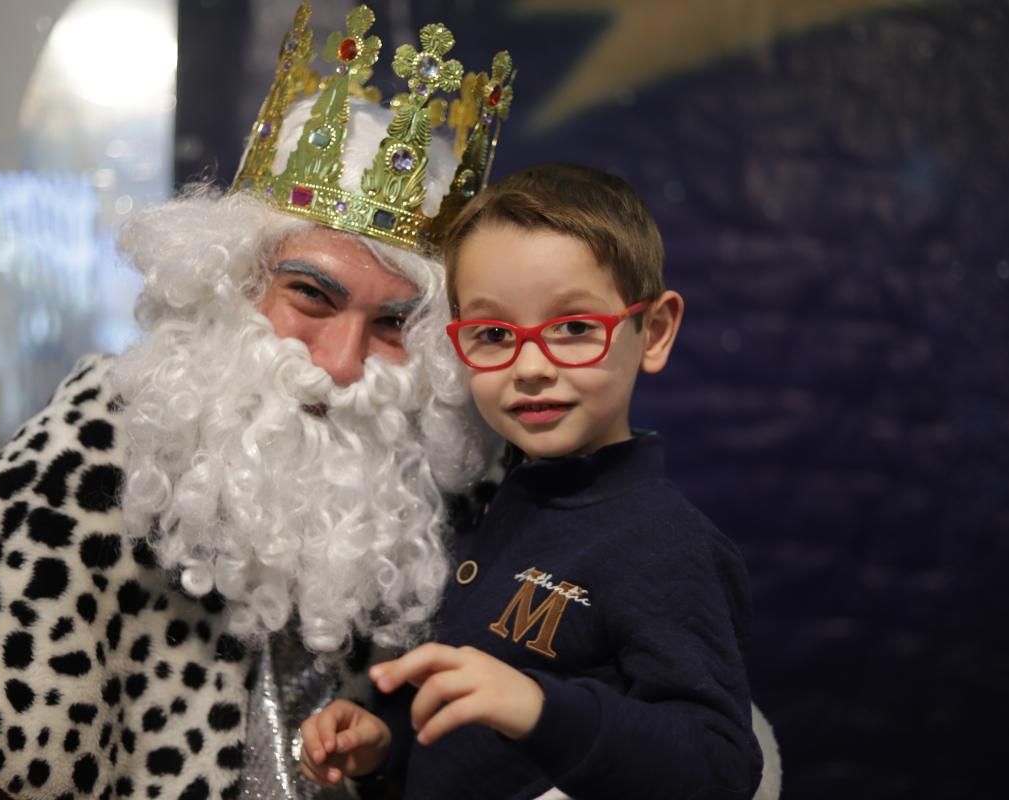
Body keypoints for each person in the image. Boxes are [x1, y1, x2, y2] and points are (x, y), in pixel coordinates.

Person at [0, 4, 511, 798]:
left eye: (394, 323)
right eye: (312, 298)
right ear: (231, 280)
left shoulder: (449, 492)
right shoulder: (100, 441)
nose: (340, 365)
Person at [299, 163, 765, 799]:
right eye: (493, 334)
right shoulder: (492, 507)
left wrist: (539, 708)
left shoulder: (667, 545)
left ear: (651, 333)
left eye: (574, 328)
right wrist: (387, 744)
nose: (531, 366)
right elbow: (478, 742)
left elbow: (719, 768)